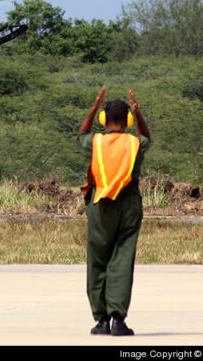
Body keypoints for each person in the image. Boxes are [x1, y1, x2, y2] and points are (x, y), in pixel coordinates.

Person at [78, 85, 151, 336]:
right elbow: (147, 137)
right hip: (129, 205)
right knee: (122, 259)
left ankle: (100, 321)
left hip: (100, 204)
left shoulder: (95, 143)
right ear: (129, 120)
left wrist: (93, 105)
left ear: (103, 119)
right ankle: (118, 320)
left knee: (98, 260)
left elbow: (81, 133)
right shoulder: (135, 143)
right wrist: (139, 113)